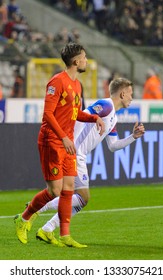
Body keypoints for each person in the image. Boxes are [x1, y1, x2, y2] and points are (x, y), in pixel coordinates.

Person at [25, 77, 145, 246]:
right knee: (80, 196)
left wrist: (134, 137)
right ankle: (39, 211)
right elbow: (82, 115)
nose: (132, 98)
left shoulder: (113, 119)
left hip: (79, 154)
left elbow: (113, 146)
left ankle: (47, 229)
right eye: (131, 94)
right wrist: (71, 144)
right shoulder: (106, 105)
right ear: (123, 93)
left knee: (80, 198)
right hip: (74, 152)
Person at [14, 42, 105, 248]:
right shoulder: (57, 81)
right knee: (55, 190)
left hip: (67, 142)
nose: (86, 60)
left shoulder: (77, 85)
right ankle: (24, 217)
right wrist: (63, 137)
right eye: (83, 57)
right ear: (75, 61)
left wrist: (94, 118)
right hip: (52, 141)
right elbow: (48, 114)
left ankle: (64, 235)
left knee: (69, 189)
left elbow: (75, 114)